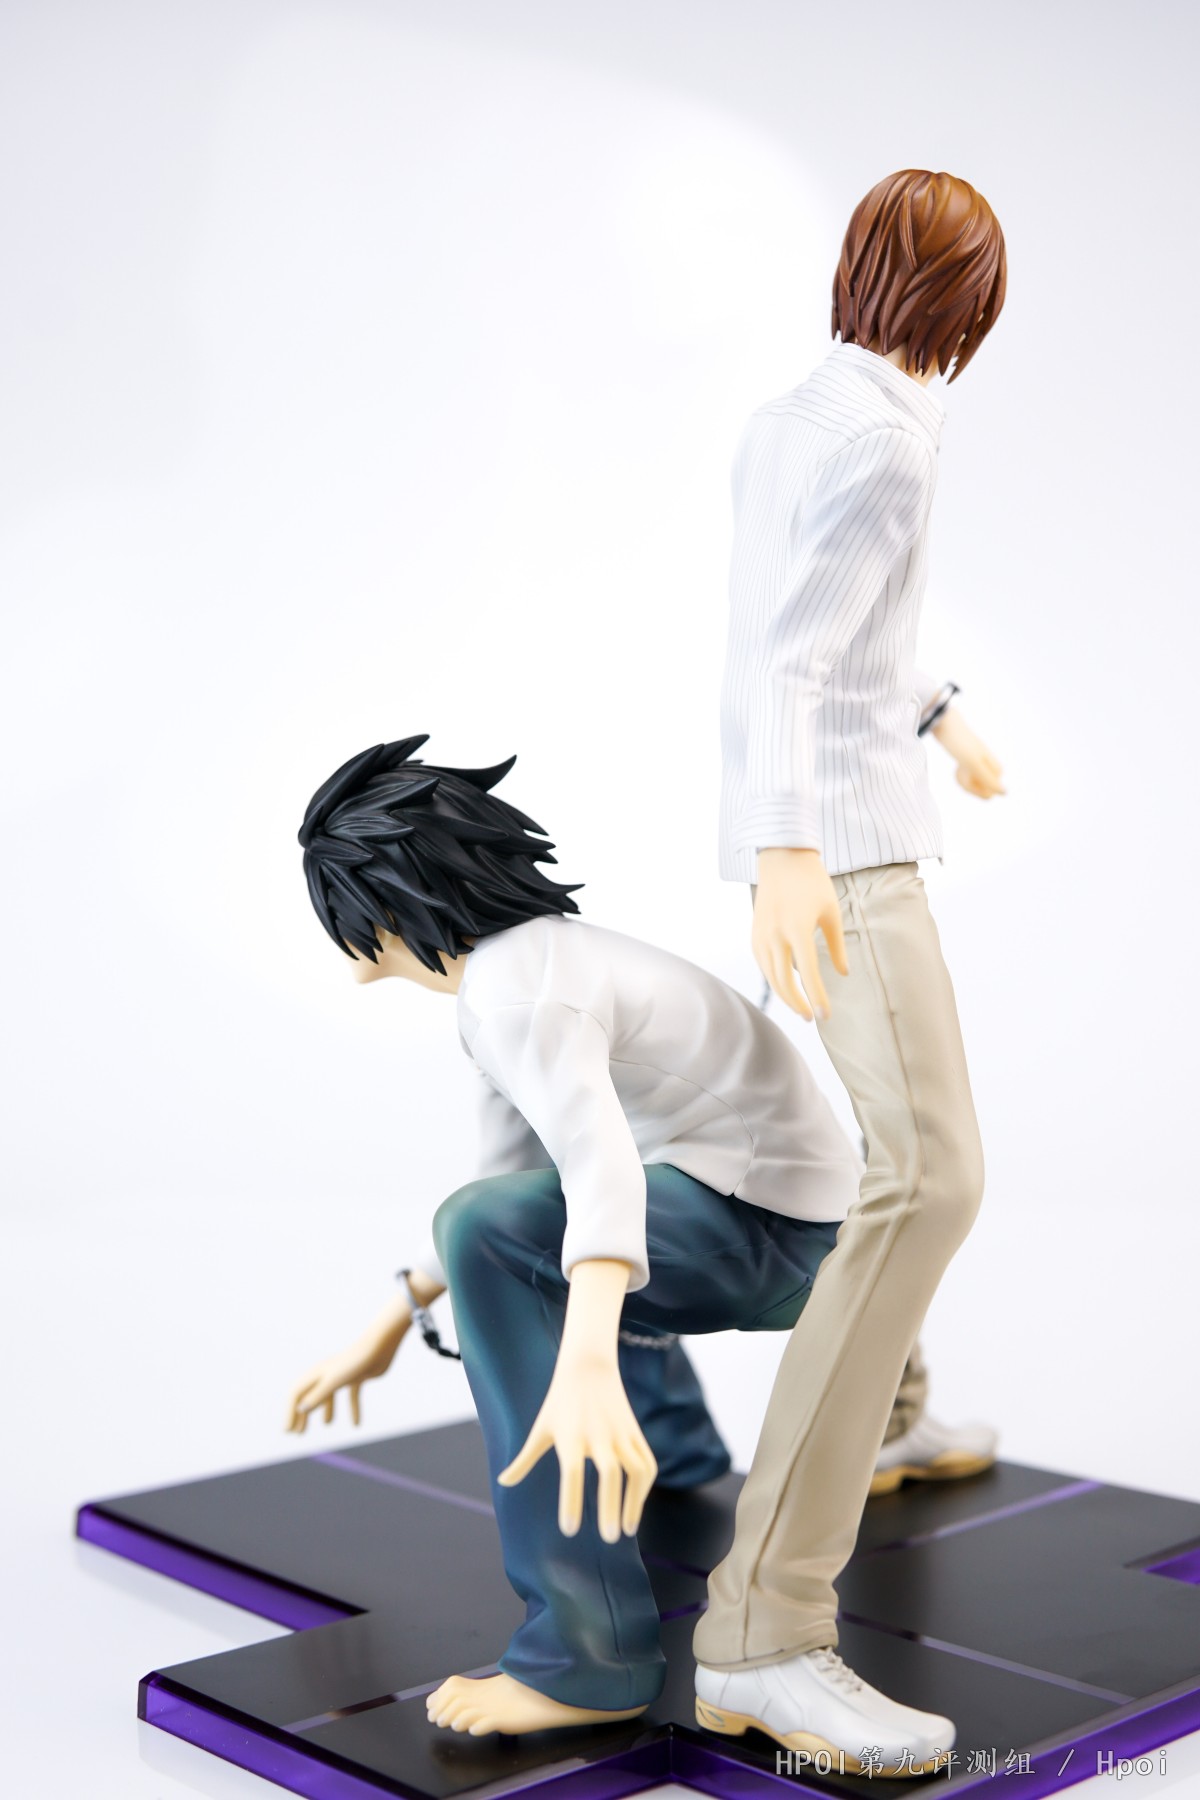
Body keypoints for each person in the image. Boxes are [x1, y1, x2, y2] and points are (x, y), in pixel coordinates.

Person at [286, 734, 956, 1773]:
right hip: (792, 1226)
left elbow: (590, 1184)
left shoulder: (515, 994)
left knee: (515, 1238)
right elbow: (526, 1173)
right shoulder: (529, 964)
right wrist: (390, 1320)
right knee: (513, 1228)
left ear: (378, 912)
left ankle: (581, 1659)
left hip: (776, 1243)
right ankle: (682, 1457)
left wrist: (588, 1363)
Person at [692, 167, 1005, 1746]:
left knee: (894, 1160)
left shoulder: (799, 414)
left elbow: (833, 622)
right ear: (964, 302)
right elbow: (799, 656)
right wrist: (795, 853)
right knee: (929, 1174)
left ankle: (888, 1414)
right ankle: (763, 1625)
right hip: (846, 852)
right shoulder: (889, 437)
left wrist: (942, 716)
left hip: (816, 833)